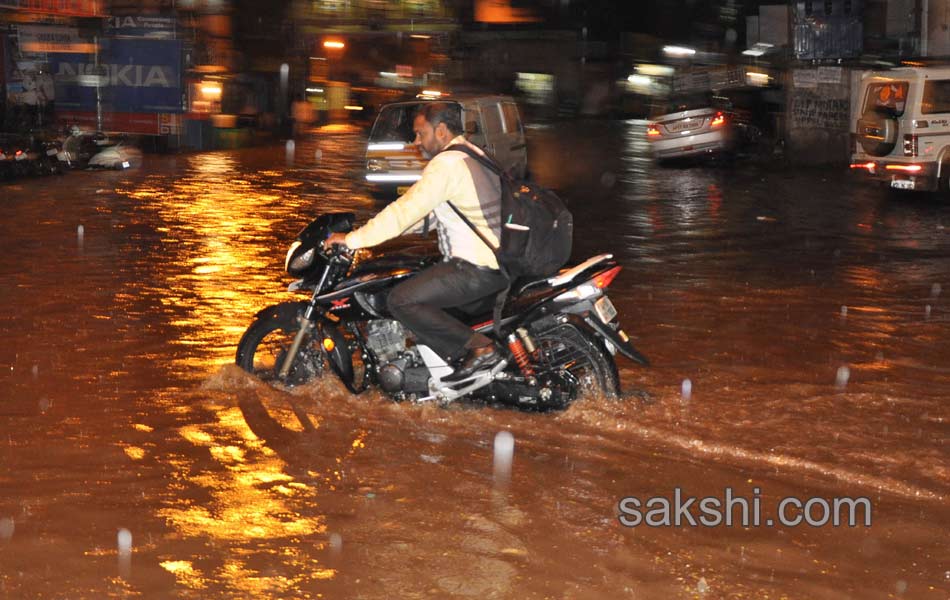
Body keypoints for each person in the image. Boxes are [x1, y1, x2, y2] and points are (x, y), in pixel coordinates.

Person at [326, 102, 507, 380]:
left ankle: (480, 349)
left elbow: (403, 211)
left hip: (474, 269)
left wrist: (352, 240)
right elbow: (432, 216)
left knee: (400, 300)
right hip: (499, 262)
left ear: (442, 131)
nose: (416, 142)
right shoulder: (473, 154)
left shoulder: (446, 164)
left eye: (421, 133)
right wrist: (378, 230)